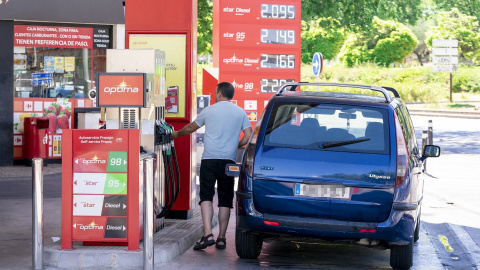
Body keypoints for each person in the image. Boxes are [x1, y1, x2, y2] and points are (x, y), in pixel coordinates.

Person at [170, 82, 252, 250]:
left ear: (220, 93)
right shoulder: (240, 112)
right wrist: (235, 146)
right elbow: (248, 136)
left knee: (206, 196)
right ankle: (221, 238)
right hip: (228, 161)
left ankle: (208, 234)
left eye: (216, 92)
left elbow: (192, 127)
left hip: (209, 160)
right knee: (225, 199)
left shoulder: (209, 110)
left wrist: (177, 134)